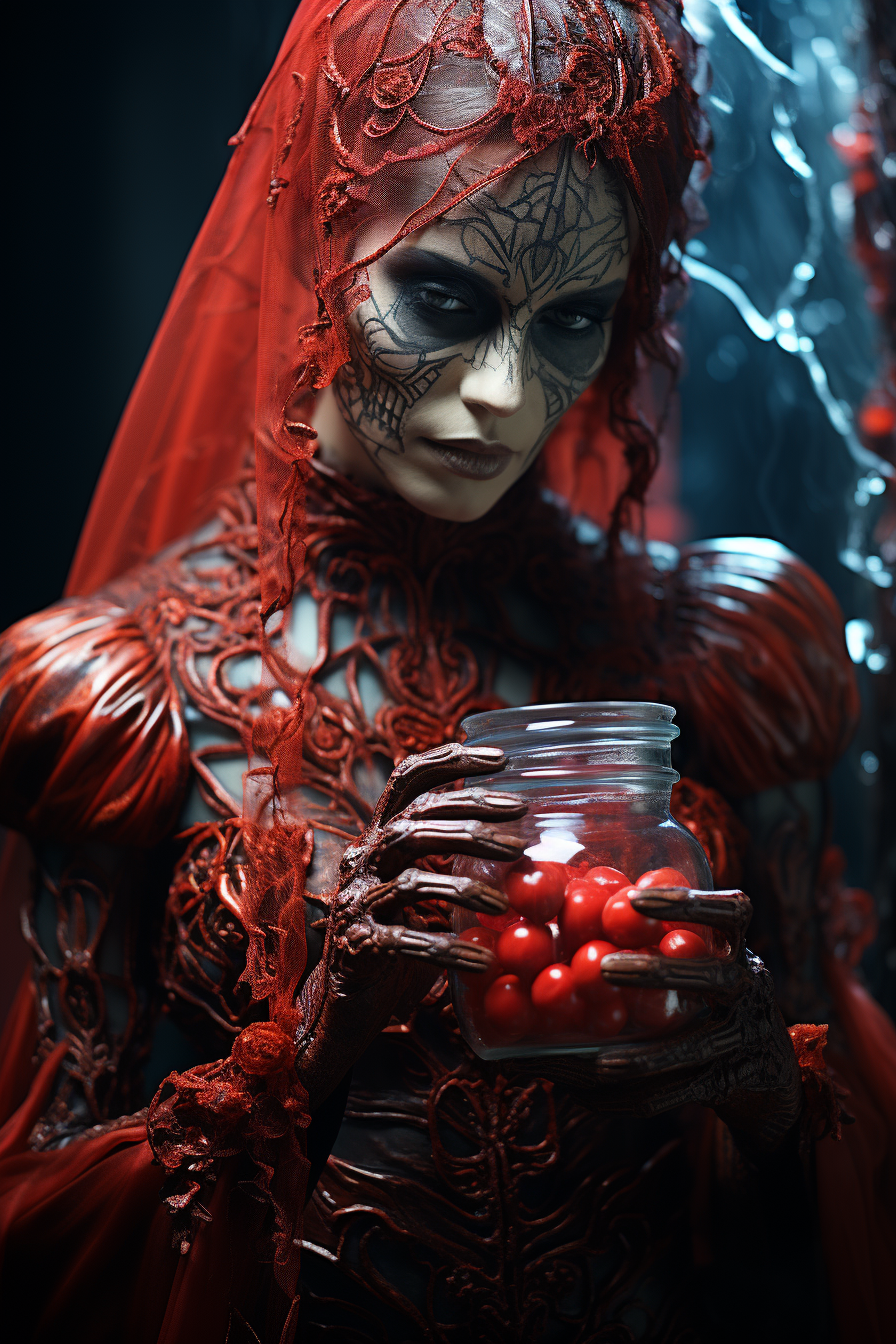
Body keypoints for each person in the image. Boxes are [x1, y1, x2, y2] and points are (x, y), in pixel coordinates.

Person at [0, 1, 893, 1340]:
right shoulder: (125, 689)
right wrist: (306, 1050)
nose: (505, 398)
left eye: (572, 320)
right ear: (324, 239)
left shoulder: (723, 657)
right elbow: (42, 1241)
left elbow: (849, 1221)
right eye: (445, 297)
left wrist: (770, 1100)